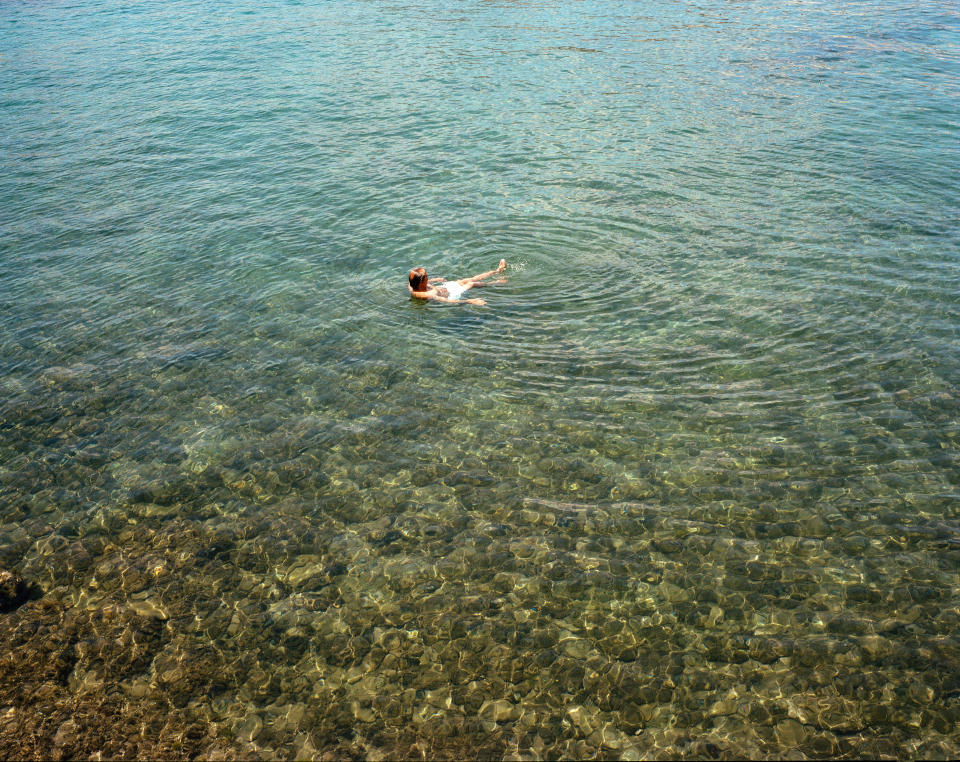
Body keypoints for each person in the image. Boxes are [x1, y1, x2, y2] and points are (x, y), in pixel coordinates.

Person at [408, 259, 507, 305]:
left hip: (447, 287)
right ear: (421, 283)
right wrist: (470, 301)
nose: (428, 277)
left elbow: (410, 282)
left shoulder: (412, 285)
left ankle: (498, 270)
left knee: (468, 279)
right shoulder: (428, 295)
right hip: (452, 294)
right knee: (472, 284)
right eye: (426, 277)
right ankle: (496, 282)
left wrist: (435, 280)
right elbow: (448, 301)